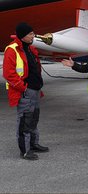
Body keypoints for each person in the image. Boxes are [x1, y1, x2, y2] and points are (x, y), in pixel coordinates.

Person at [3, 22, 49, 160]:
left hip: (34, 90)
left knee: (34, 118)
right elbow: (9, 74)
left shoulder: (30, 48)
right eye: (30, 34)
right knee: (25, 120)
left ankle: (34, 144)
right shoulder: (12, 49)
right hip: (25, 91)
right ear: (23, 35)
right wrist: (23, 88)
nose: (33, 36)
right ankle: (25, 150)